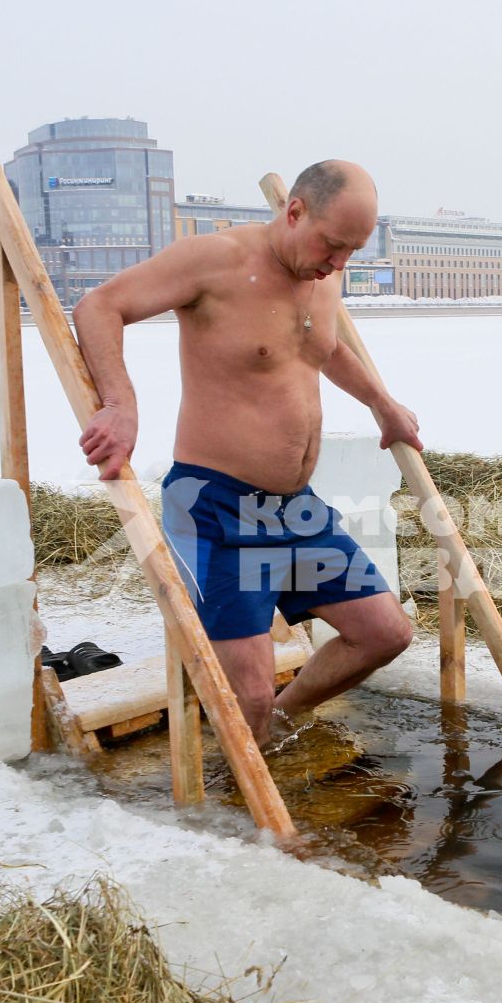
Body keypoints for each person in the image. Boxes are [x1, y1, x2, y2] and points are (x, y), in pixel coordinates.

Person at [70, 159, 417, 746]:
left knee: (385, 633)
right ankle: (244, 818)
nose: (339, 264)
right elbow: (100, 306)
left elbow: (321, 348)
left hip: (295, 509)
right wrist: (120, 403)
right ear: (295, 211)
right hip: (216, 508)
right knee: (248, 693)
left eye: (352, 251)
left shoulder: (322, 271)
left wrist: (380, 402)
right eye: (333, 245)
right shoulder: (218, 260)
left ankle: (279, 722)